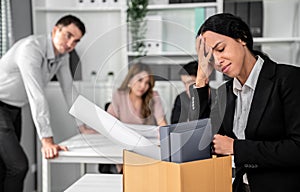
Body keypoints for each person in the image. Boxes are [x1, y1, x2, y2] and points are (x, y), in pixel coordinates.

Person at [190, 13, 300, 192]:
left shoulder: (288, 79)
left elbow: (297, 148)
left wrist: (236, 147)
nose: (217, 61)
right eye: (210, 58)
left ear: (241, 37)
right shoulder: (223, 93)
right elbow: (201, 143)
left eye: (221, 49)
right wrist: (201, 79)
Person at [0, 14, 85, 191]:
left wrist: (82, 125)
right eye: (68, 35)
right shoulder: (31, 48)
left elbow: (69, 91)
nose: (70, 44)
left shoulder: (63, 56)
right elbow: (36, 94)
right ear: (56, 30)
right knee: (18, 166)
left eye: (76, 41)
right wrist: (47, 140)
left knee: (5, 166)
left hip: (14, 108)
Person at [100, 63, 167, 173]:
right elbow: (108, 124)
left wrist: (163, 136)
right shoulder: (119, 96)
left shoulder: (153, 96)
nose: (143, 86)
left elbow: (162, 123)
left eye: (147, 83)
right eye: (140, 80)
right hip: (124, 146)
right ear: (130, 80)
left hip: (147, 146)